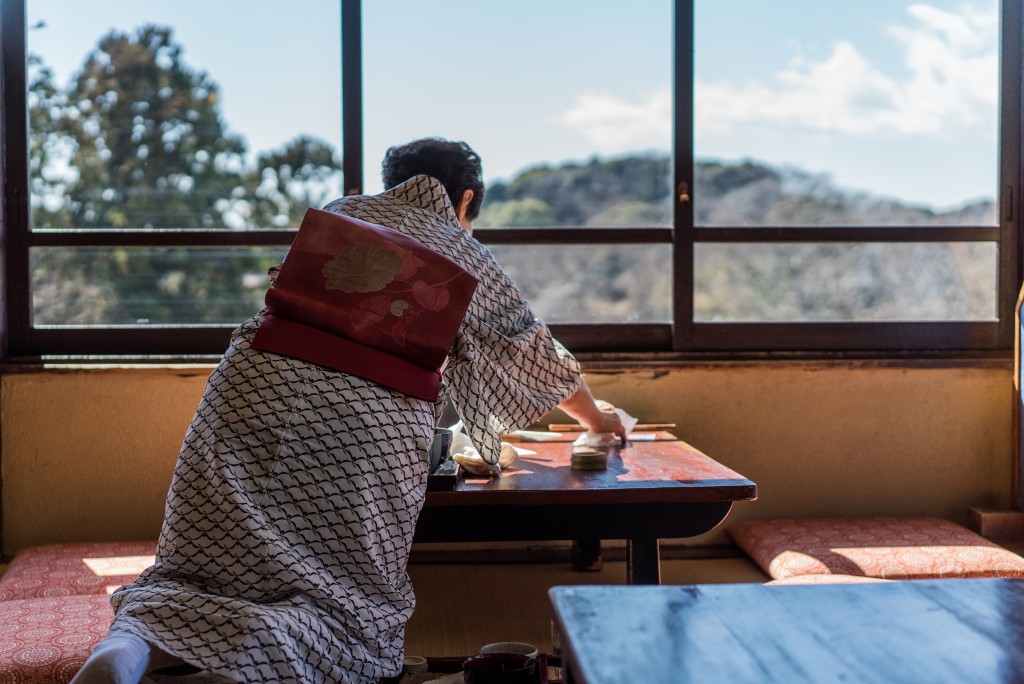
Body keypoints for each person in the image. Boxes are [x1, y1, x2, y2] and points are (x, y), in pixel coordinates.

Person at [71, 137, 626, 684]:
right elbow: (535, 356)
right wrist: (597, 420)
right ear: (464, 201)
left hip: (246, 389)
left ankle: (132, 646)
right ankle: (252, 669)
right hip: (359, 419)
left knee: (203, 567)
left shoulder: (341, 215)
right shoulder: (458, 245)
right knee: (338, 602)